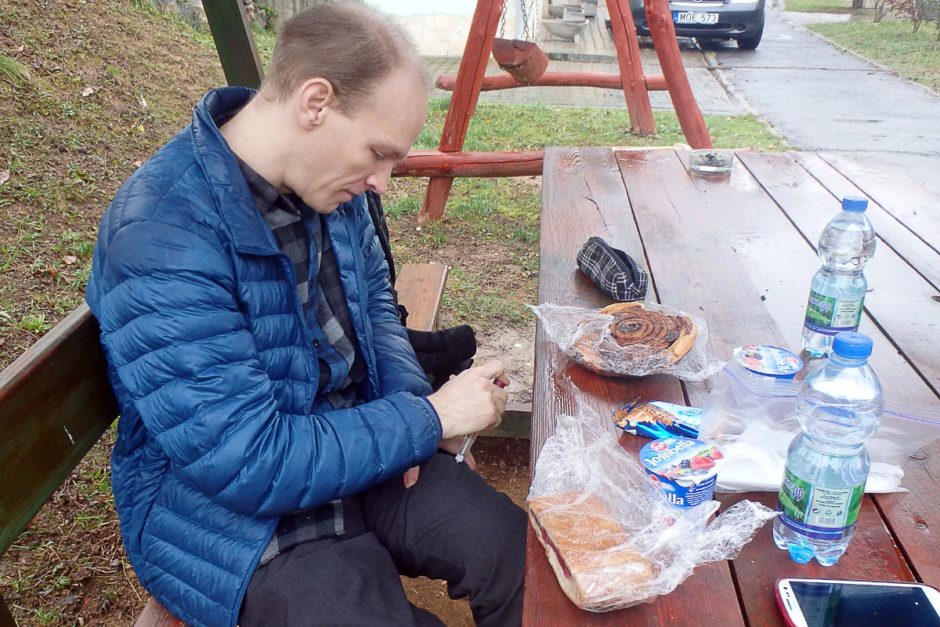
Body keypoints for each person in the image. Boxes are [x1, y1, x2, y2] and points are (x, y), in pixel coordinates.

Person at [85, 4, 526, 626]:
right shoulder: (164, 237)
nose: (383, 182)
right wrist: (426, 417)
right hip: (230, 519)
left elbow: (376, 312)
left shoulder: (326, 185)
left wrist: (418, 429)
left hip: (356, 446)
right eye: (378, 152)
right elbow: (245, 458)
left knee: (520, 560)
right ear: (315, 102)